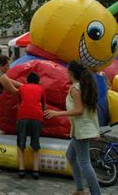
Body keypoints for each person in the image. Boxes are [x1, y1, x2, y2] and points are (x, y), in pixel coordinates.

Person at [45, 61, 101, 195]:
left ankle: (95, 193)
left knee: (85, 163)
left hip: (81, 131)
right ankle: (80, 189)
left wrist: (57, 113)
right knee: (70, 156)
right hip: (80, 129)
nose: (66, 74)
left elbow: (79, 110)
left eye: (67, 72)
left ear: (71, 73)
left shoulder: (76, 88)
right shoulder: (83, 86)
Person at [16, 72, 46, 179]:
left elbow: (19, 104)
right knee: (35, 144)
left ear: (27, 80)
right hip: (37, 116)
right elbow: (43, 106)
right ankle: (36, 171)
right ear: (38, 80)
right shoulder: (41, 89)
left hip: (23, 116)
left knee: (21, 144)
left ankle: (21, 169)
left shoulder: (22, 88)